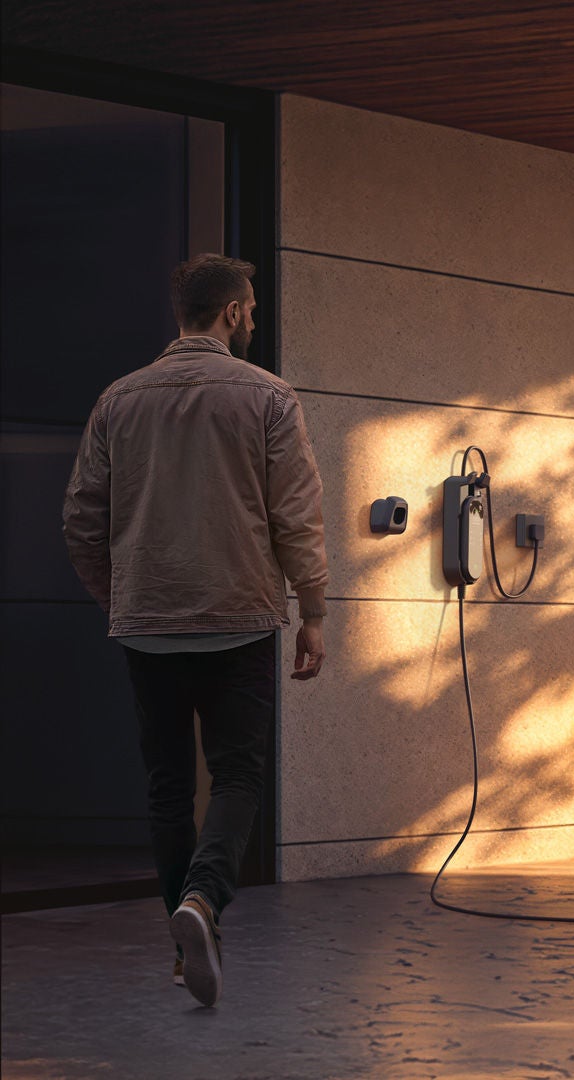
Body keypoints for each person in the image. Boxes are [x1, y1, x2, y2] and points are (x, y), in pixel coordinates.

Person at [62, 254, 328, 1008]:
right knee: (239, 775)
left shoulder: (119, 401)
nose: (254, 320)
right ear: (233, 312)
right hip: (238, 620)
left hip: (147, 625)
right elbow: (296, 517)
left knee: (167, 786)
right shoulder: (269, 397)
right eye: (250, 309)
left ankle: (186, 955)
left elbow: (81, 518)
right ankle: (204, 903)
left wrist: (125, 596)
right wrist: (313, 611)